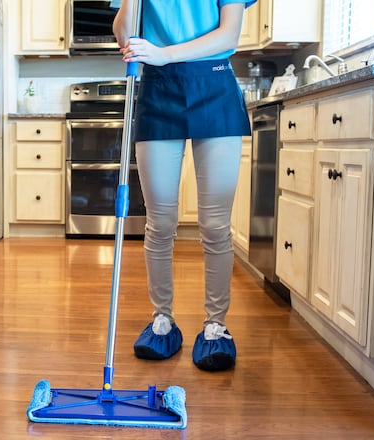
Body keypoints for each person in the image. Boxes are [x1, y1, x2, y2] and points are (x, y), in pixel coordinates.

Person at [112, 0, 256, 371]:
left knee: (214, 225)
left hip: (215, 85)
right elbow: (124, 35)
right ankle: (163, 320)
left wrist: (163, 54)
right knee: (159, 221)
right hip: (158, 90)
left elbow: (229, 33)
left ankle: (215, 326)